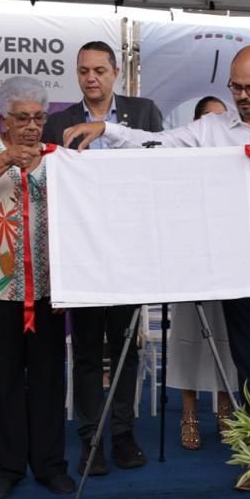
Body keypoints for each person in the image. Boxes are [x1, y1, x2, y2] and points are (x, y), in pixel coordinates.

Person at [63, 45, 250, 429]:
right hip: (237, 251)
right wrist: (107, 129)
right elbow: (156, 143)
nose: (242, 96)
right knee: (247, 354)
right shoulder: (212, 128)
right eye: (235, 87)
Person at [43, 40, 164, 475]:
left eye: (99, 70)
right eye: (83, 71)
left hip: (130, 251)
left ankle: (123, 434)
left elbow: (159, 169)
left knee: (127, 347)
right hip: (82, 254)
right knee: (88, 350)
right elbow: (50, 191)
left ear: (115, 73)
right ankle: (90, 438)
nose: (91, 77)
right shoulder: (59, 122)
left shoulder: (143, 113)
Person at [0, 76, 74, 499]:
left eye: (39, 117)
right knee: (2, 377)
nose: (32, 126)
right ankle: (6, 466)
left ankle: (49, 464)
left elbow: (72, 219)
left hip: (48, 287)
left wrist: (68, 282)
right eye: (22, 118)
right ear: (2, 118)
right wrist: (5, 160)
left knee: (48, 378)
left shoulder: (56, 156)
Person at [167, 95, 240, 450]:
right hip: (190, 266)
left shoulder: (236, 166)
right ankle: (189, 415)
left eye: (223, 118)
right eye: (210, 119)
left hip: (229, 265)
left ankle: (225, 410)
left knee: (228, 338)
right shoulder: (180, 167)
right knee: (188, 339)